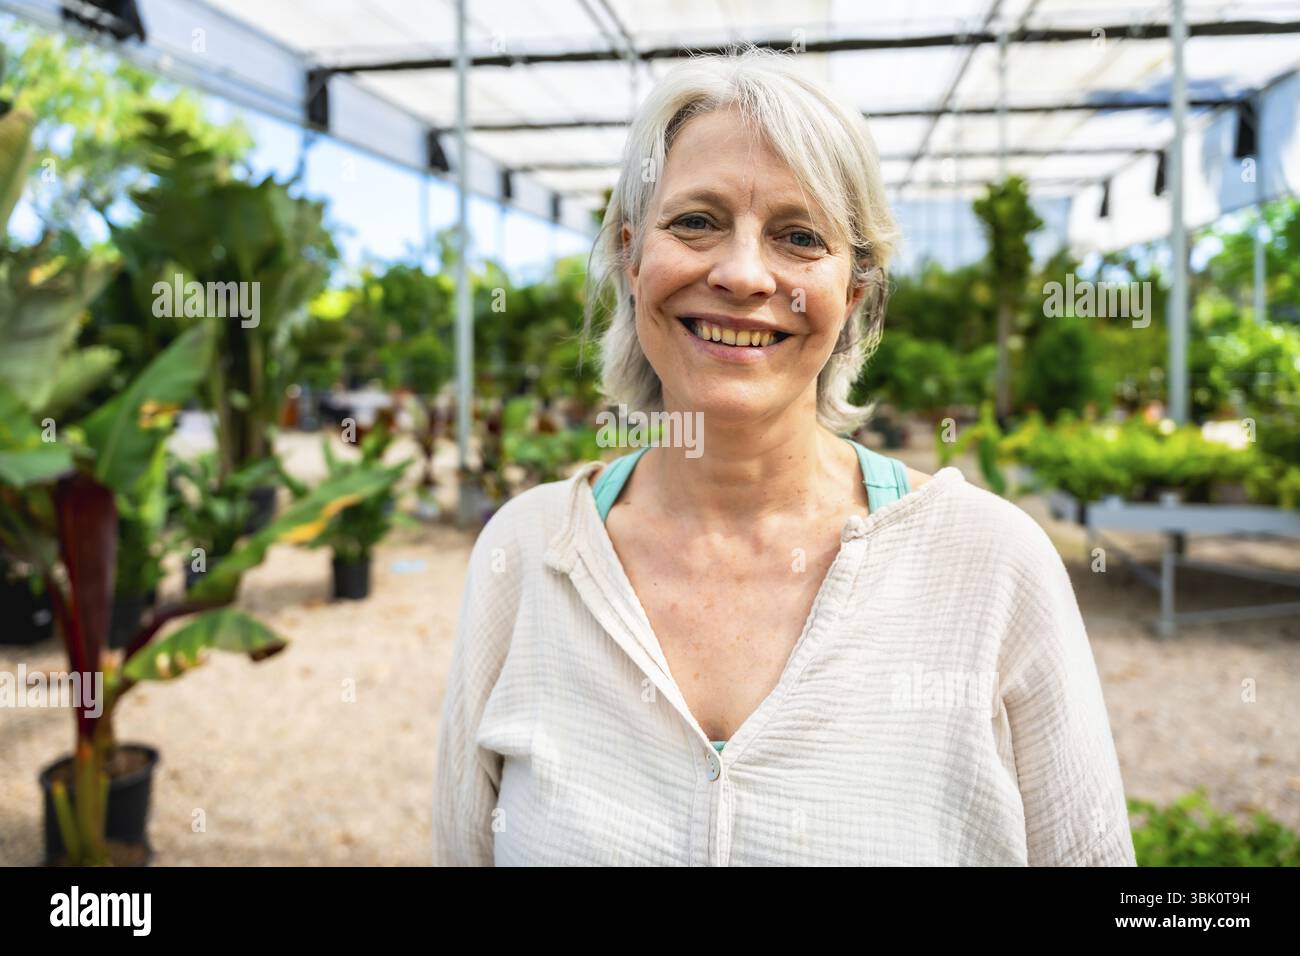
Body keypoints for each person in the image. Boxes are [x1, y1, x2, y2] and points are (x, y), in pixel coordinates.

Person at [432, 44, 1136, 866]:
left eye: (799, 236)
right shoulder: (525, 557)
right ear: (631, 258)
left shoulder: (989, 567)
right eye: (695, 220)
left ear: (854, 296)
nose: (741, 273)